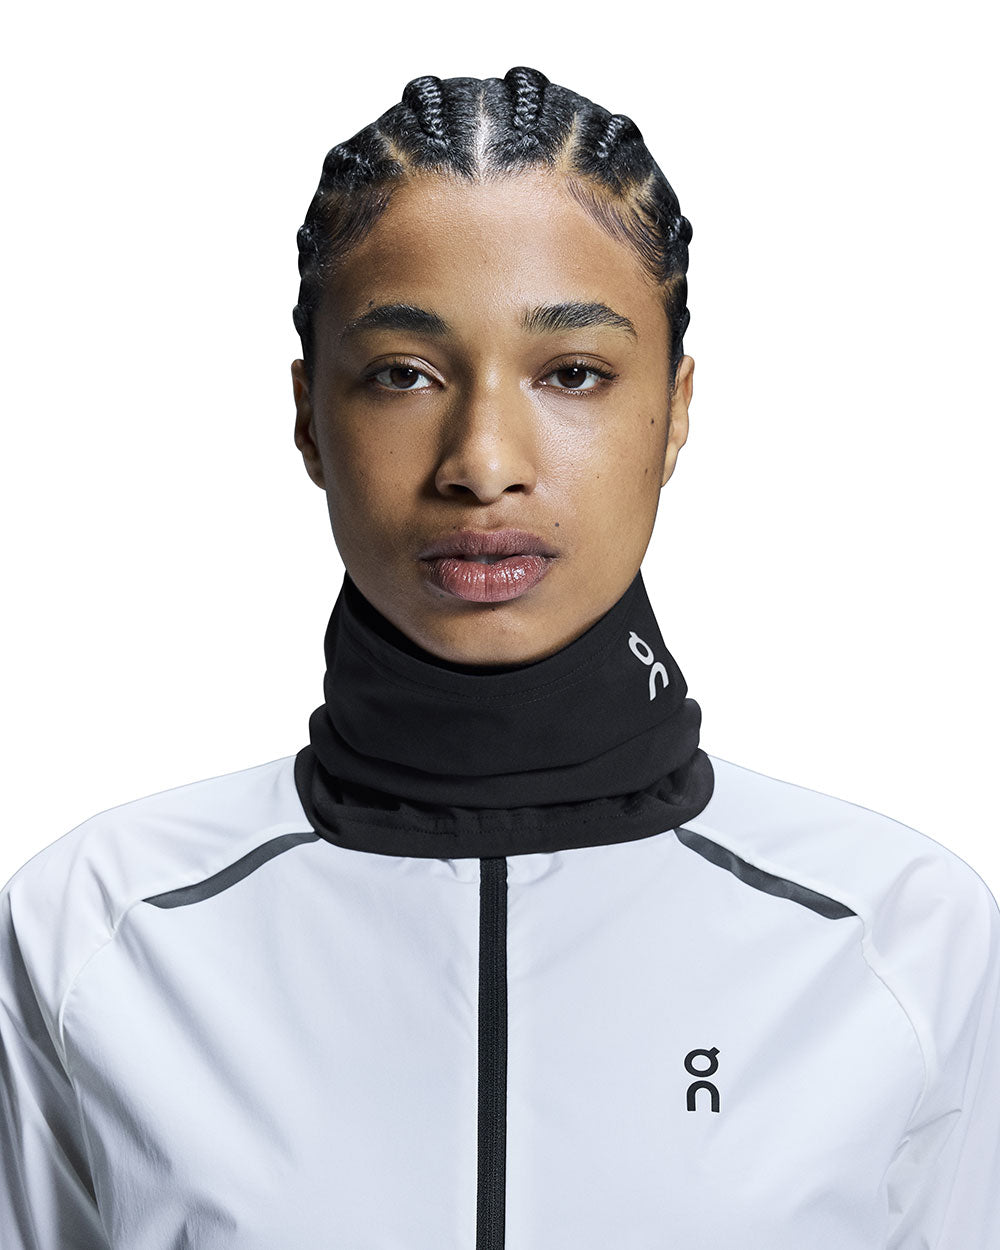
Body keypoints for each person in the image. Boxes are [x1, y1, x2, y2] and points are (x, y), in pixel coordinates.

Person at [1, 65, 997, 1250]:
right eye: (403, 373)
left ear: (675, 409)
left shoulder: (896, 932)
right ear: (309, 415)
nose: (481, 461)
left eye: (572, 373)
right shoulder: (97, 928)